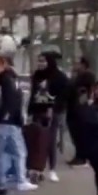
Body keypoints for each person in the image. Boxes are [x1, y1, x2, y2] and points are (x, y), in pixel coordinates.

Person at [0, 54, 35, 195]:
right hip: (2, 122)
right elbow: (10, 101)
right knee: (9, 152)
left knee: (9, 152)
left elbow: (11, 101)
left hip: (3, 121)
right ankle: (8, 181)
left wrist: (1, 117)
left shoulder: (4, 80)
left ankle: (8, 180)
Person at [27, 51, 69, 182]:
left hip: (53, 112)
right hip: (38, 110)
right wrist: (30, 110)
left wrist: (53, 108)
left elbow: (64, 96)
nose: (40, 64)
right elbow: (33, 94)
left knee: (50, 140)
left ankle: (52, 169)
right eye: (39, 61)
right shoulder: (37, 76)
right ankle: (36, 169)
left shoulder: (59, 77)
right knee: (36, 140)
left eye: (43, 61)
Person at [66, 58, 97, 166]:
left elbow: (91, 89)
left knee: (80, 133)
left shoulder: (88, 75)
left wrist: (88, 101)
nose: (74, 65)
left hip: (80, 107)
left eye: (77, 63)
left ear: (83, 64)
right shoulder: (76, 75)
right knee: (74, 132)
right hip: (72, 106)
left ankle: (82, 157)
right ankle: (80, 155)